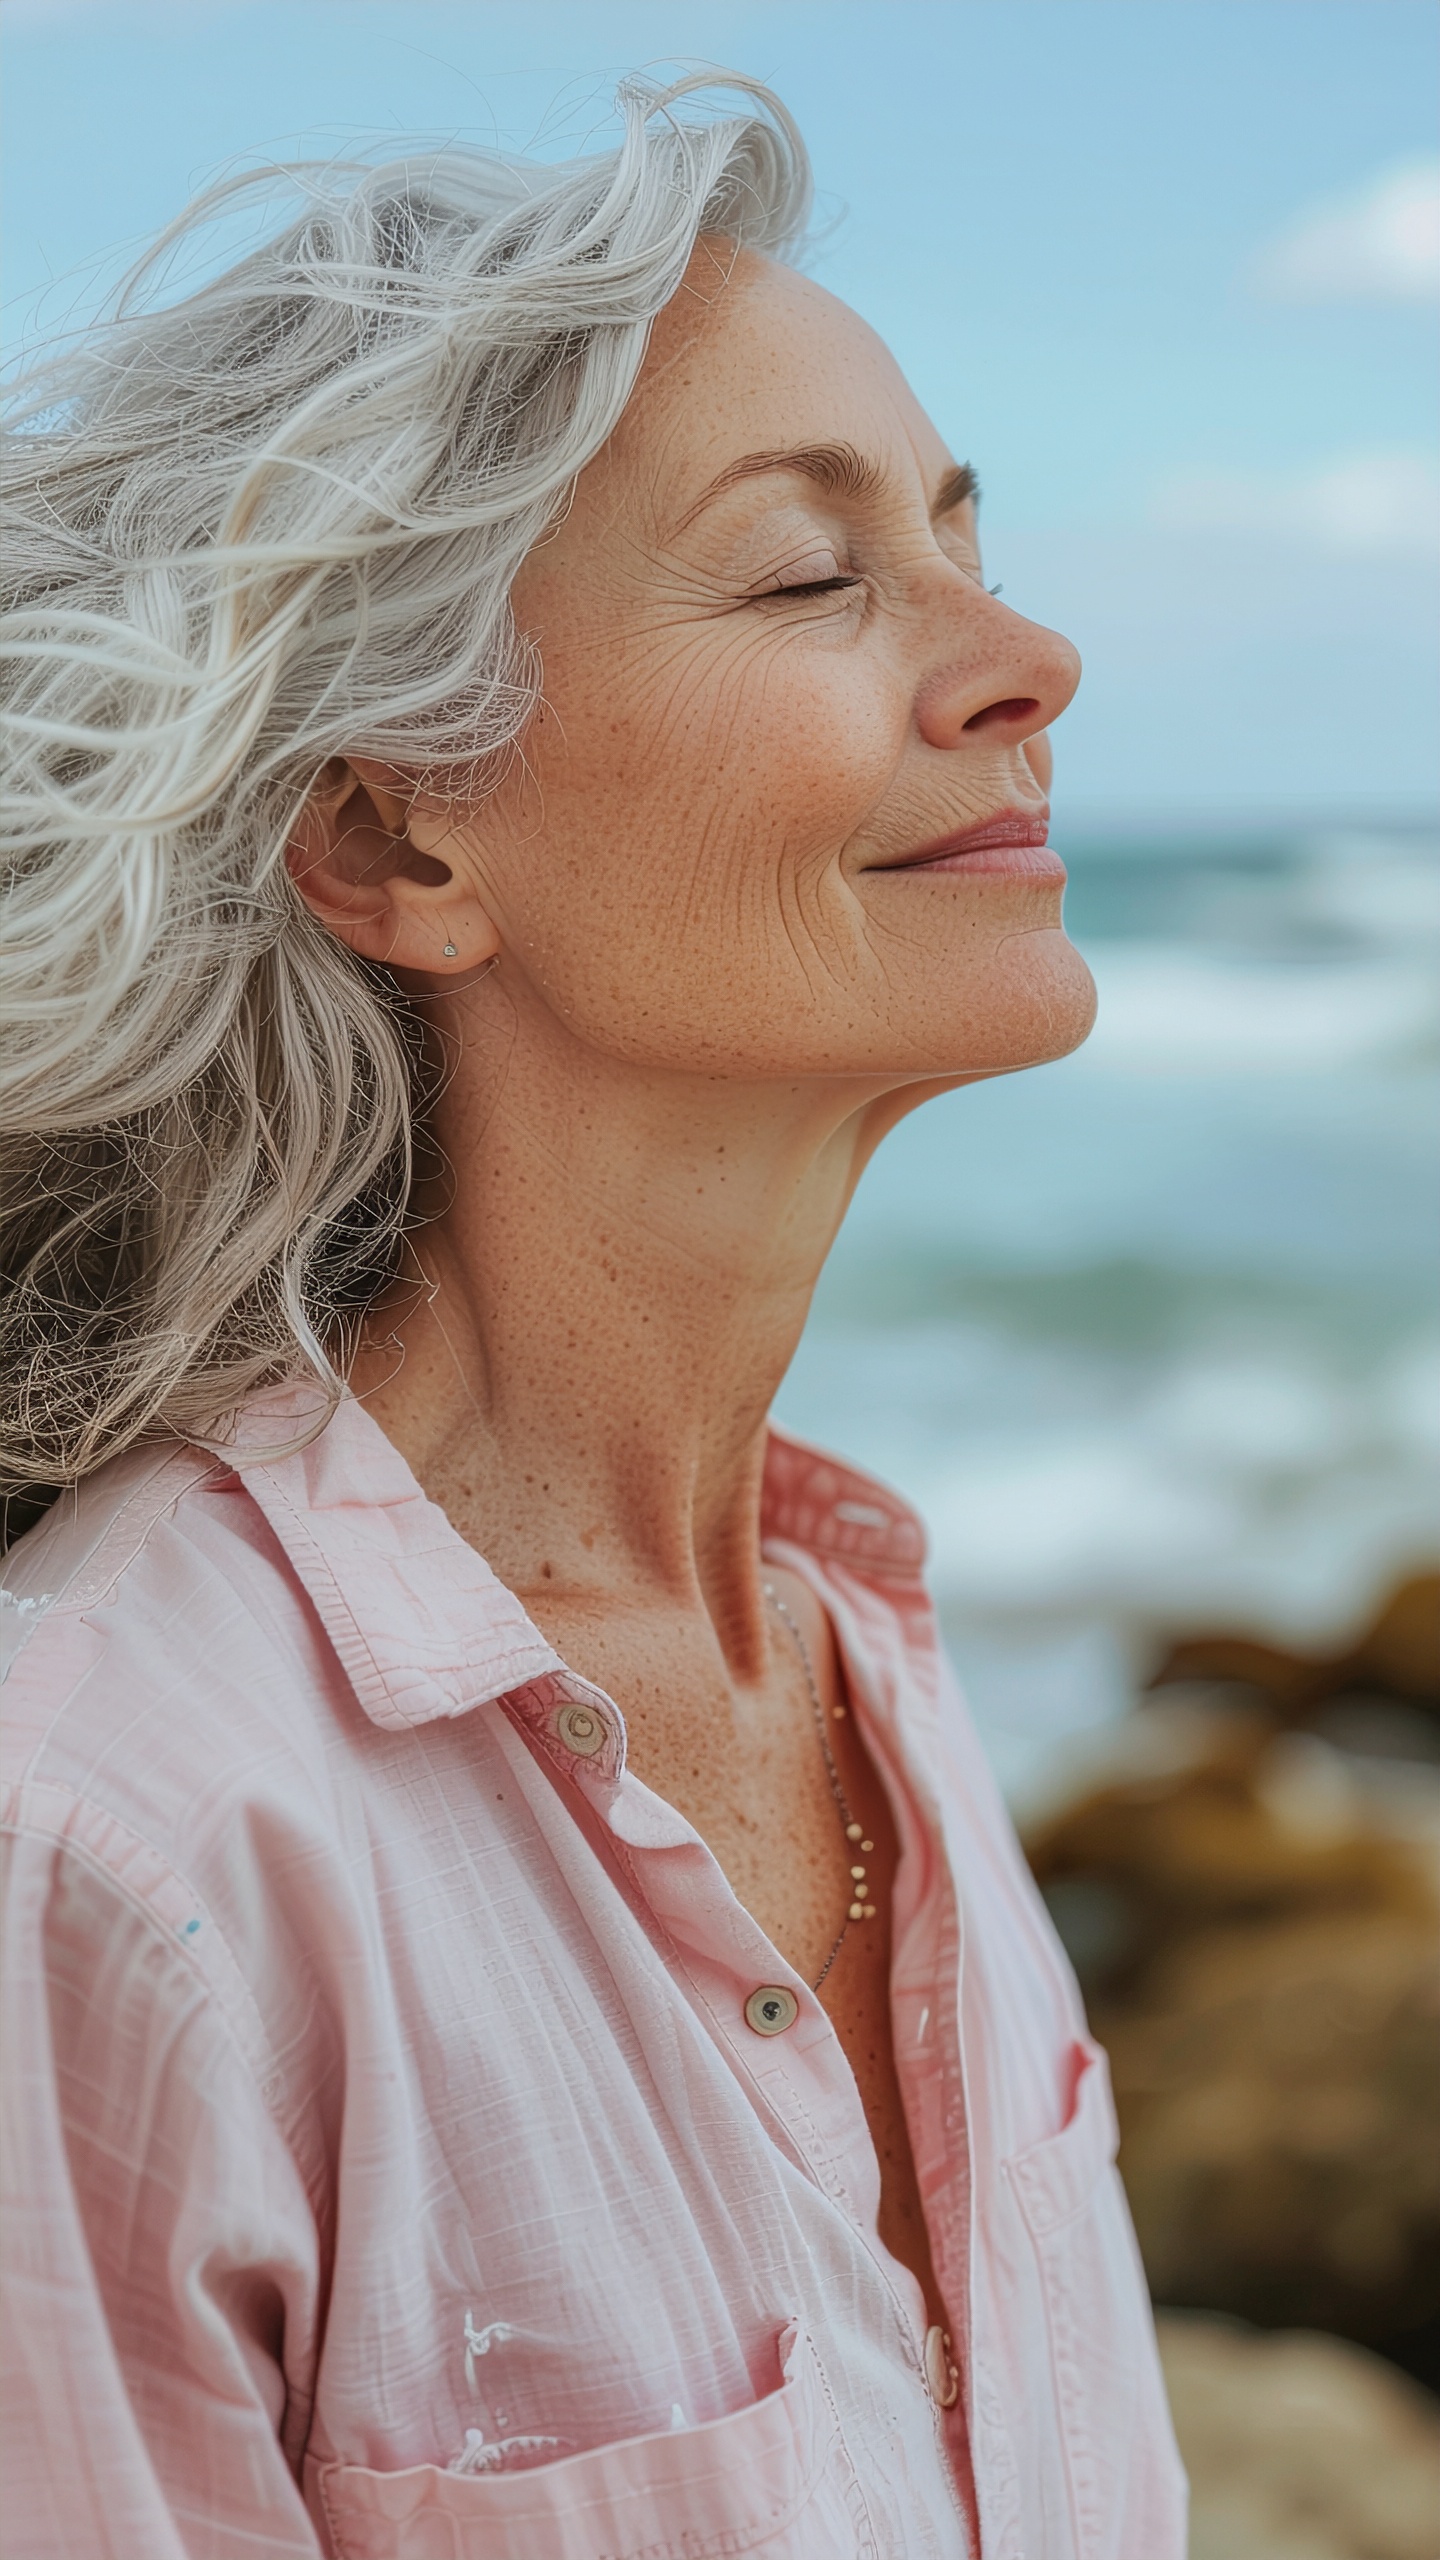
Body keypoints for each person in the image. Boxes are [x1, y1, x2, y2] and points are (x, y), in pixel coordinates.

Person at [0, 73, 1186, 2559]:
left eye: (968, 534)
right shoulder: (105, 1838)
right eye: (806, 578)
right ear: (390, 832)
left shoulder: (866, 1654)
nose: (1029, 655)